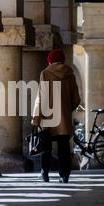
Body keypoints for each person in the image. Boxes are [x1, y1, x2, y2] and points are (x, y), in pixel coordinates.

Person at [32, 48, 81, 183]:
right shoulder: (70, 74)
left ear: (50, 60)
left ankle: (45, 173)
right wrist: (66, 108)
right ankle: (64, 175)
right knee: (64, 147)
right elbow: (76, 99)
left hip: (48, 117)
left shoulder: (45, 73)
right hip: (63, 118)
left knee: (45, 146)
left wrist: (37, 116)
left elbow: (41, 96)